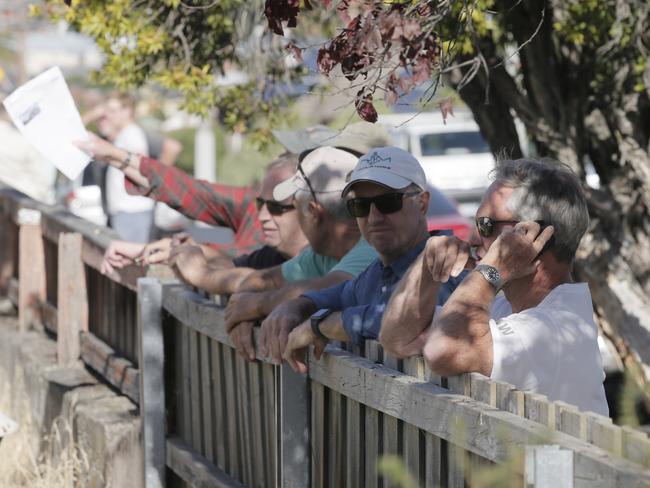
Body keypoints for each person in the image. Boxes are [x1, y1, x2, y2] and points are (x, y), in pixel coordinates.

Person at [379, 158, 609, 416]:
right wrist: (426, 267)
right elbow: (398, 338)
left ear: (534, 238)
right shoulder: (504, 307)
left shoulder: (553, 327)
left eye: (487, 225)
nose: (473, 237)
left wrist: (490, 271)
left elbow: (442, 350)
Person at [277, 147, 466, 372]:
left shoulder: (448, 265)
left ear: (422, 203)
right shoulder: (379, 271)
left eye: (388, 202)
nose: (374, 217)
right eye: (361, 206)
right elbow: (340, 294)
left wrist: (320, 326)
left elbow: (401, 322)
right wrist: (296, 306)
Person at [224, 146, 379, 360]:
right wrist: (241, 311)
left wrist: (256, 305)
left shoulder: (372, 244)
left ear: (314, 212)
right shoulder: (324, 252)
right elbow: (263, 278)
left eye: (295, 206)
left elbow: (335, 287)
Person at [101, 93, 155, 243]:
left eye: (113, 111)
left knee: (130, 263)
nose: (108, 115)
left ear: (127, 111)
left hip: (132, 210)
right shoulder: (125, 134)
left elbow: (141, 166)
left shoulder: (132, 134)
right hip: (127, 210)